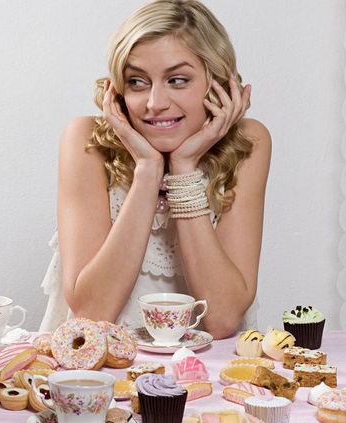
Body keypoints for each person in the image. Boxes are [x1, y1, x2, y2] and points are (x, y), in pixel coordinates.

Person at [40, 0, 271, 339]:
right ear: (117, 91)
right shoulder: (86, 140)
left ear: (217, 82)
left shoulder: (249, 142)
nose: (154, 103)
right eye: (137, 81)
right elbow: (92, 315)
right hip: (98, 377)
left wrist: (184, 167)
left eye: (177, 80)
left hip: (206, 378)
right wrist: (148, 171)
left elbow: (222, 319)